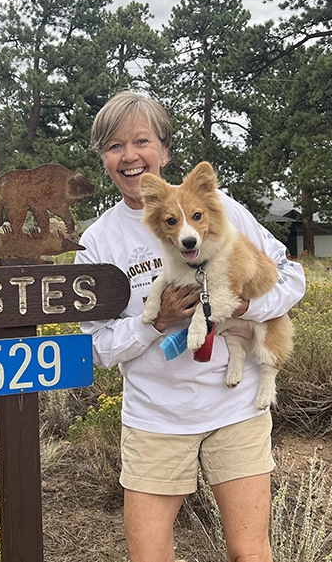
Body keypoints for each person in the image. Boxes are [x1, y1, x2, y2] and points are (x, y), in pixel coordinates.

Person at [75, 91, 306, 562]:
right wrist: (154, 325)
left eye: (141, 140)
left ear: (163, 148)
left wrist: (243, 310)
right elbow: (95, 347)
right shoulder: (100, 240)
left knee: (250, 552)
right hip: (156, 417)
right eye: (114, 146)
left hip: (236, 406)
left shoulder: (218, 207)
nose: (130, 156)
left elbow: (291, 276)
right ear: (103, 160)